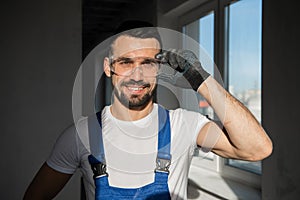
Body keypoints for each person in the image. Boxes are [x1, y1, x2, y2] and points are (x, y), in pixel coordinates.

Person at [23, 21, 272, 200]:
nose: (137, 75)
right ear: (108, 67)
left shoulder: (184, 125)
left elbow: (257, 149)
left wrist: (201, 80)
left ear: (160, 68)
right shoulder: (80, 135)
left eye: (148, 64)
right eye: (126, 62)